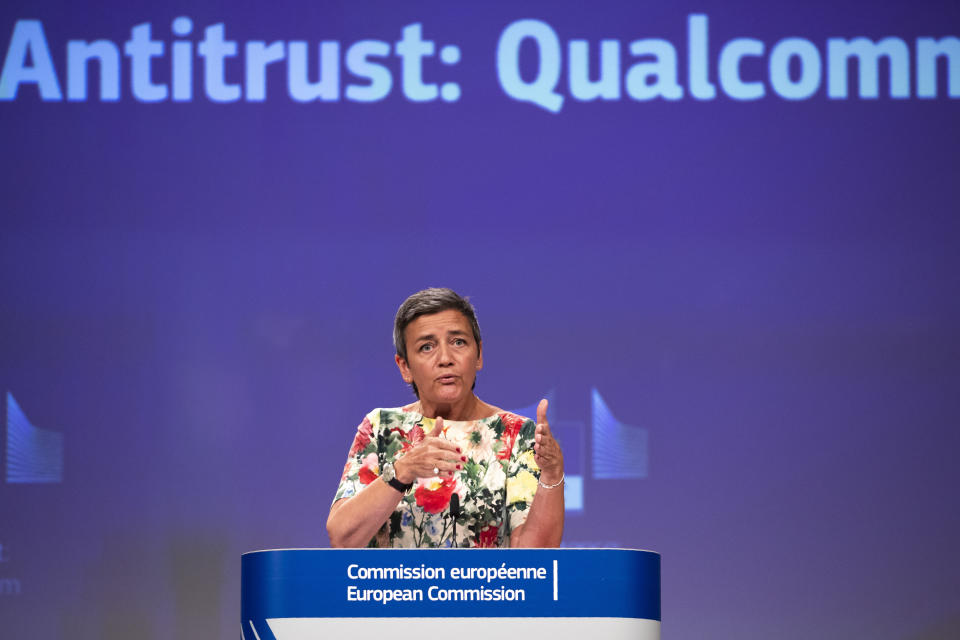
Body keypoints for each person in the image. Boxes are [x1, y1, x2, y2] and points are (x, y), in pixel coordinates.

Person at [327, 288, 564, 548]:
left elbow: (535, 558)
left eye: (458, 342)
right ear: (405, 367)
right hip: (394, 590)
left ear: (479, 355)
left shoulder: (515, 433)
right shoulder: (381, 429)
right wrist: (402, 471)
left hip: (486, 590)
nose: (446, 359)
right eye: (427, 347)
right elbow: (342, 538)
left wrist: (552, 474)